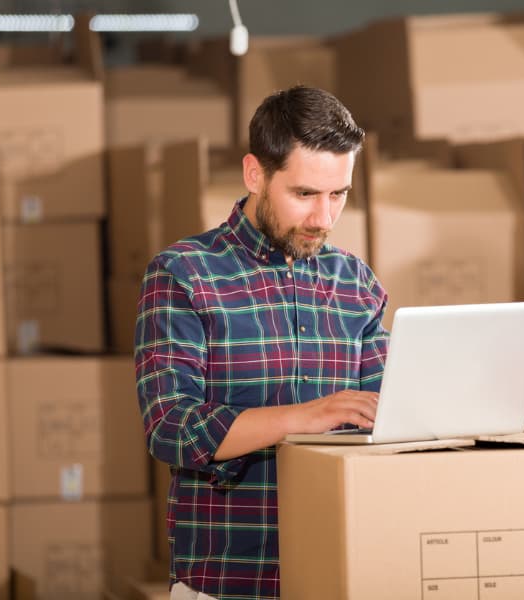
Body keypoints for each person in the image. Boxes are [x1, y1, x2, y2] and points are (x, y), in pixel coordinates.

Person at [135, 86, 388, 600]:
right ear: (255, 174)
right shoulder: (184, 274)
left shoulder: (355, 282)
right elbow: (171, 429)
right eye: (304, 194)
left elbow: (386, 414)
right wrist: (305, 417)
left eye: (338, 194)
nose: (323, 218)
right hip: (230, 578)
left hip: (341, 571)